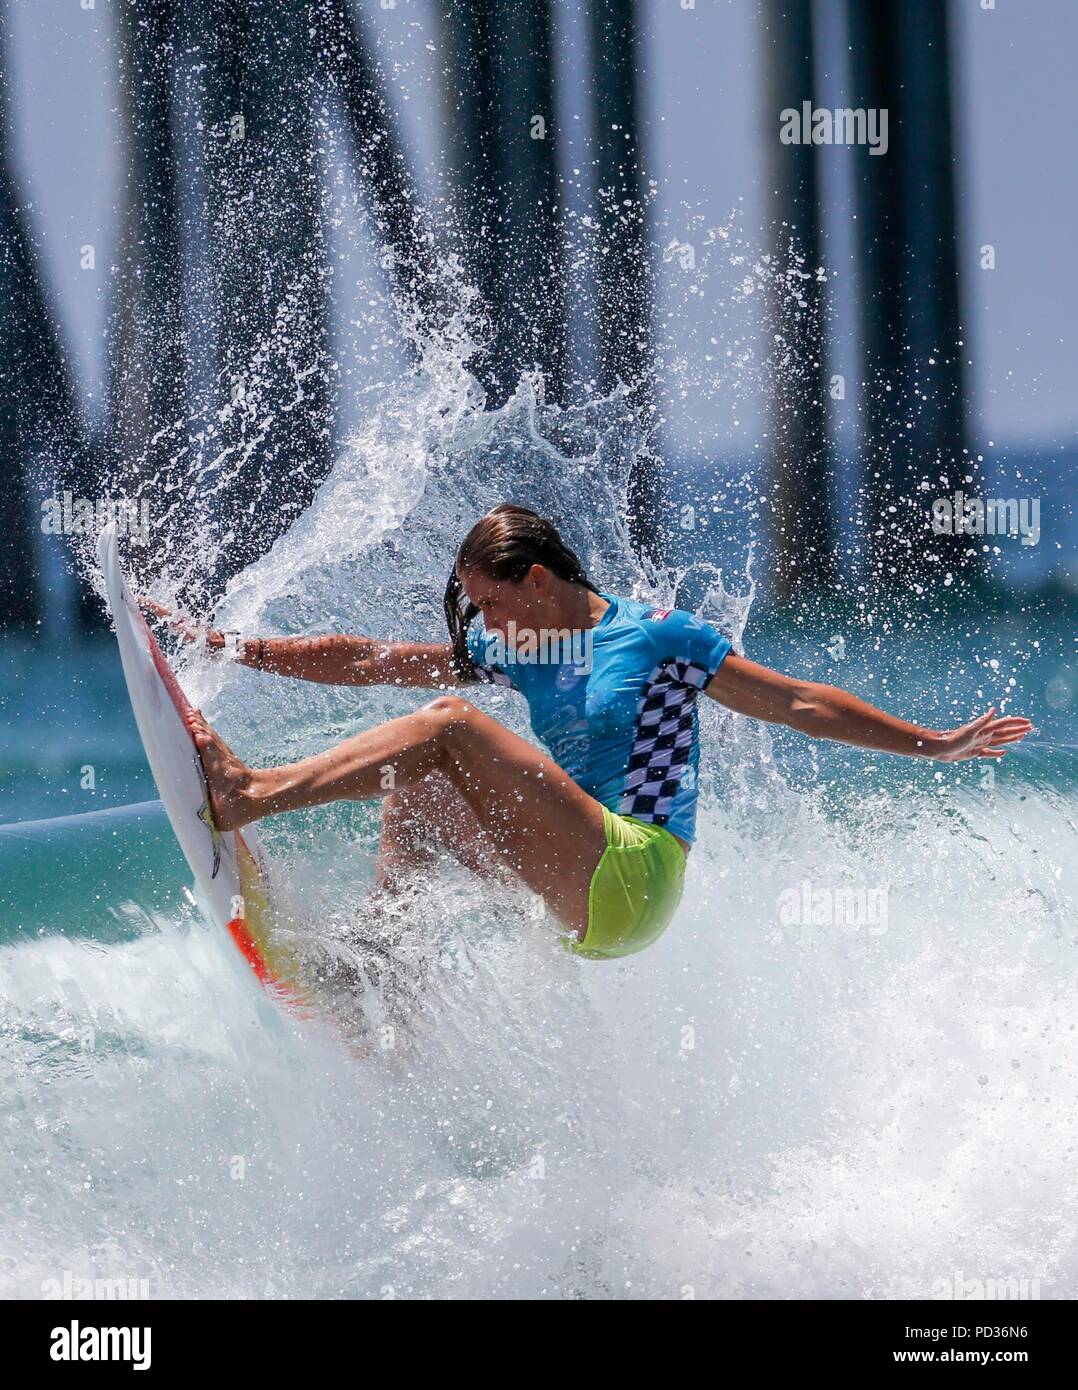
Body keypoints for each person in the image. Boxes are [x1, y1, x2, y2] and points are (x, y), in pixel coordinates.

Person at [147, 504, 1032, 960]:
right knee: (414, 783)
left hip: (637, 874)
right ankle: (387, 969)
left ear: (535, 580)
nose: (482, 621)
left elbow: (799, 703)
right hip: (578, 885)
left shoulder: (658, 638)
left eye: (490, 600)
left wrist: (937, 744)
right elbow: (380, 660)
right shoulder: (519, 643)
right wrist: (232, 645)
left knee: (449, 729)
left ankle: (252, 794)